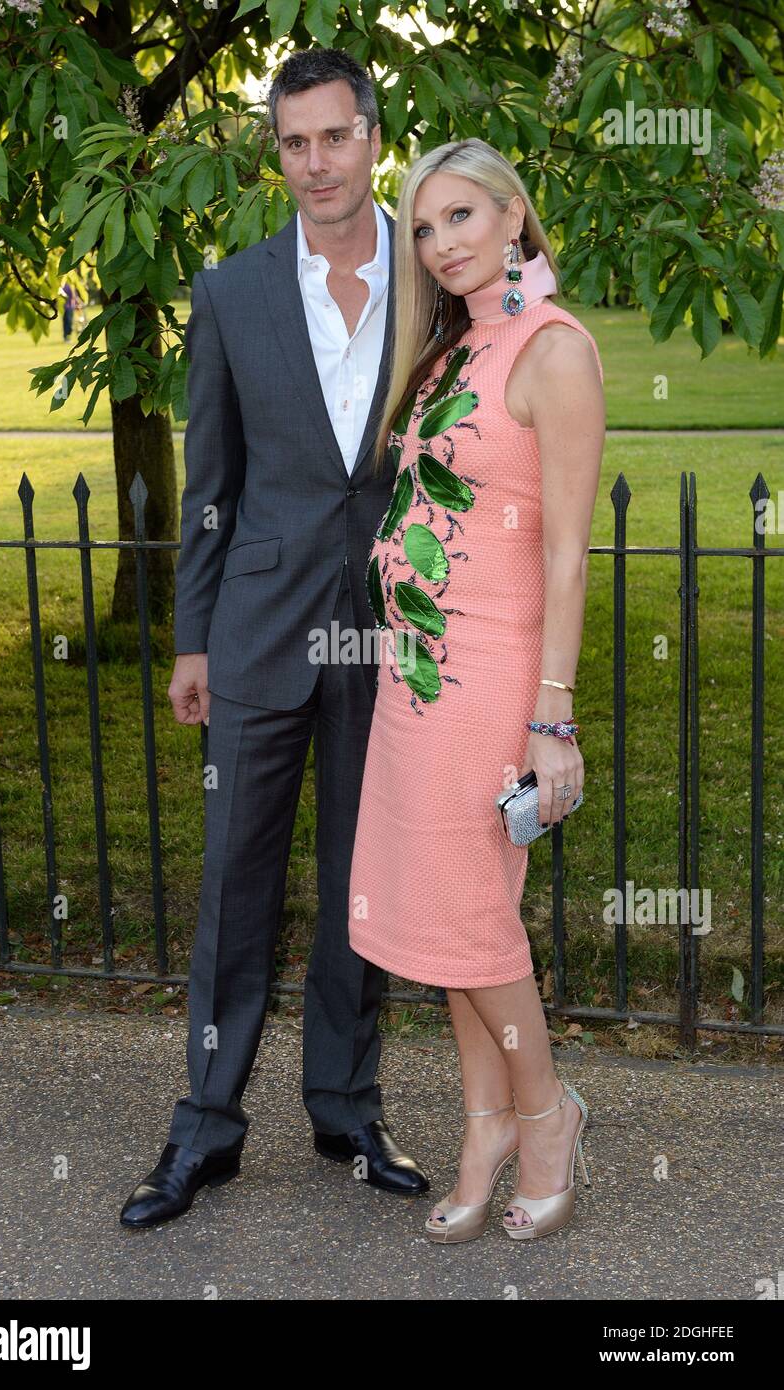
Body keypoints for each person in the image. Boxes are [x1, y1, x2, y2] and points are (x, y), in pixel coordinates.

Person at [120, 49, 429, 1230]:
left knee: (366, 880)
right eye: (293, 143)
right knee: (232, 886)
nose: (316, 164)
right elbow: (212, 482)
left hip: (392, 636)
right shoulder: (231, 291)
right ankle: (205, 1125)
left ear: (370, 135)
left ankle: (346, 1105)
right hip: (255, 631)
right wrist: (192, 637)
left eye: (335, 138)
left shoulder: (433, 272)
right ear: (276, 151)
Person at [348, 138, 605, 1243]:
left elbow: (564, 553)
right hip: (413, 682)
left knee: (473, 924)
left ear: (511, 216)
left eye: (459, 217)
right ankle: (483, 1119)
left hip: (494, 684)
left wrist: (551, 717)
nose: (440, 243)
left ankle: (547, 1116)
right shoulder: (449, 351)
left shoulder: (552, 350)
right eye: (422, 226)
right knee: (440, 924)